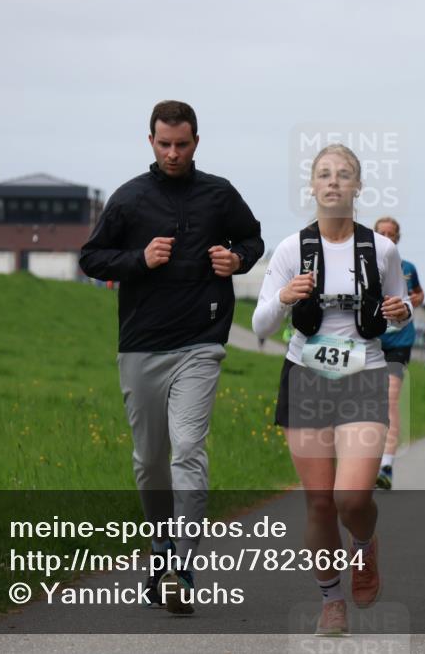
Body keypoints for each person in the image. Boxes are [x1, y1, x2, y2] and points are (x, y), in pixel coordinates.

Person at [79, 101, 264, 614]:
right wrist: (139, 259)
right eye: (164, 143)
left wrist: (238, 259)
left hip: (201, 342)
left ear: (196, 142)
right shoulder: (130, 198)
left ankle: (182, 565)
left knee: (188, 448)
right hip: (141, 343)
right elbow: (91, 256)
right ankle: (159, 548)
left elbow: (252, 236)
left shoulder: (218, 194)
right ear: (151, 141)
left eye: (182, 144)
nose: (173, 152)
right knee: (150, 461)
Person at [252, 144, 412, 636]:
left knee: (353, 496)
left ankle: (364, 546)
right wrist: (283, 296)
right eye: (324, 174)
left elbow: (399, 308)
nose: (334, 182)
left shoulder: (380, 249)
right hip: (306, 375)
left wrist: (400, 313)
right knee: (319, 501)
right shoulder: (289, 249)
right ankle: (331, 599)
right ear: (313, 187)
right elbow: (260, 324)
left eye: (344, 175)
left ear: (358, 186)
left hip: (364, 373)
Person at [372, 216, 424, 490]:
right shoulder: (363, 266)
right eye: (382, 233)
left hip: (399, 341)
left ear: (398, 238)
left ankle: (386, 465)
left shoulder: (408, 268)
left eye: (392, 234)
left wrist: (414, 300)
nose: (387, 237)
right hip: (369, 341)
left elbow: (419, 293)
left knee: (390, 401)